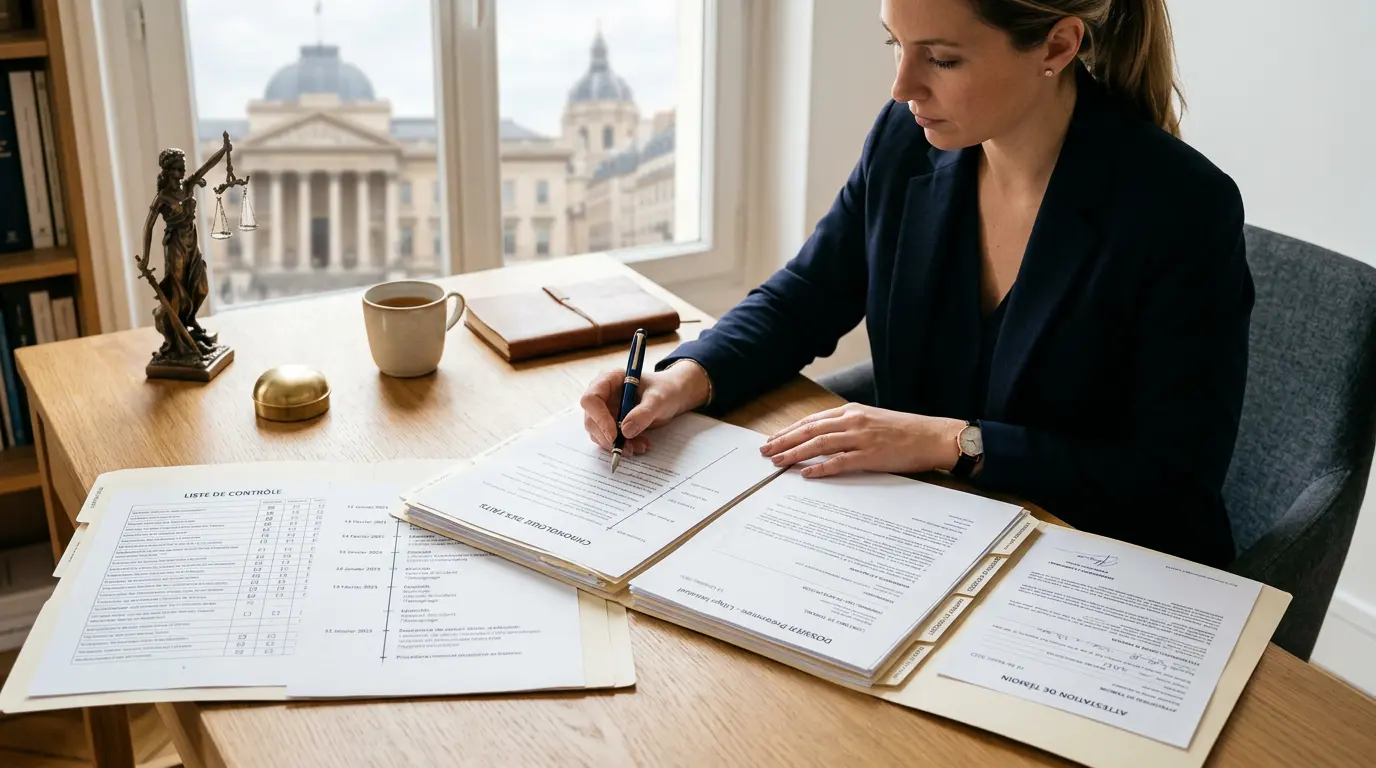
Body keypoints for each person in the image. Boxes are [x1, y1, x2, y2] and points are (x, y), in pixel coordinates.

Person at [579, 0, 1252, 568]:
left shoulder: (1181, 208)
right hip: (920, 543)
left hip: (1091, 569)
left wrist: (950, 442)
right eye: (894, 45)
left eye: (941, 58)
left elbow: (1173, 487)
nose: (902, 86)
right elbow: (805, 296)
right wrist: (684, 376)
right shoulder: (907, 143)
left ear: (1057, 44)